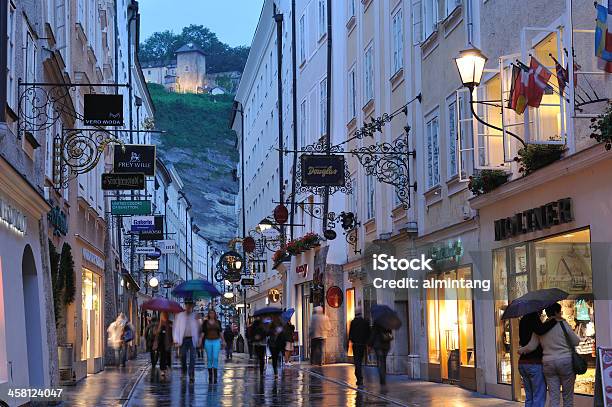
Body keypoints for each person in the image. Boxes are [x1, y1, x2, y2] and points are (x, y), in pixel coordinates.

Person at [519, 303, 580, 407]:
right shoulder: (563, 324)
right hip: (565, 361)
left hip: (548, 363)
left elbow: (532, 346)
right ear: (557, 312)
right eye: (560, 312)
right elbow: (576, 341)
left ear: (547, 313)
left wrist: (521, 350)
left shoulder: (542, 328)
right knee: (567, 396)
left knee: (554, 397)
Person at [516, 312, 557, 407]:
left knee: (529, 396)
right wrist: (553, 320)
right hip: (534, 362)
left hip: (523, 362)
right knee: (538, 396)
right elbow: (540, 330)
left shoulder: (523, 319)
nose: (542, 311)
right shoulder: (533, 317)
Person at [173, 299, 200, 383]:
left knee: (192, 358)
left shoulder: (195, 316)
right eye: (187, 305)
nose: (188, 307)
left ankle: (191, 374)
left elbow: (199, 328)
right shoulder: (180, 316)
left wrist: (199, 321)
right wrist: (176, 339)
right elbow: (176, 328)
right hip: (183, 339)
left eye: (190, 305)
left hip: (192, 339)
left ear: (192, 306)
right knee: (183, 356)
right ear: (185, 306)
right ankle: (184, 372)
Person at [348, 308, 371, 386]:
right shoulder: (365, 322)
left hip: (356, 344)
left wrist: (350, 341)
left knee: (357, 361)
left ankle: (359, 377)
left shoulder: (353, 322)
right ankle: (359, 376)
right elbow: (369, 333)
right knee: (360, 361)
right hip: (363, 344)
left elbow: (350, 335)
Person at [202, 309, 224, 384]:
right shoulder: (205, 322)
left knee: (215, 357)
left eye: (213, 313)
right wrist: (199, 340)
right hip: (208, 341)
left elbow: (220, 332)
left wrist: (223, 340)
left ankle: (215, 375)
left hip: (216, 341)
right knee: (209, 358)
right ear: (208, 314)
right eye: (210, 313)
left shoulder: (218, 322)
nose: (212, 314)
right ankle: (210, 375)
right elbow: (203, 332)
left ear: (215, 314)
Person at [370, 320, 393, 385]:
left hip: (378, 345)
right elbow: (390, 333)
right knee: (383, 361)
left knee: (380, 362)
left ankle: (382, 378)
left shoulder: (377, 322)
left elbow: (373, 333)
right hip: (386, 345)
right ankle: (383, 377)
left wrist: (370, 344)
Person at [153, 312, 173, 378]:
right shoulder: (159, 325)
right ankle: (163, 369)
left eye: (165, 316)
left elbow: (171, 334)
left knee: (167, 355)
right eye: (163, 316)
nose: (164, 317)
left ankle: (165, 367)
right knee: (162, 356)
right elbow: (155, 333)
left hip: (167, 342)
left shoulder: (169, 324)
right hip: (161, 343)